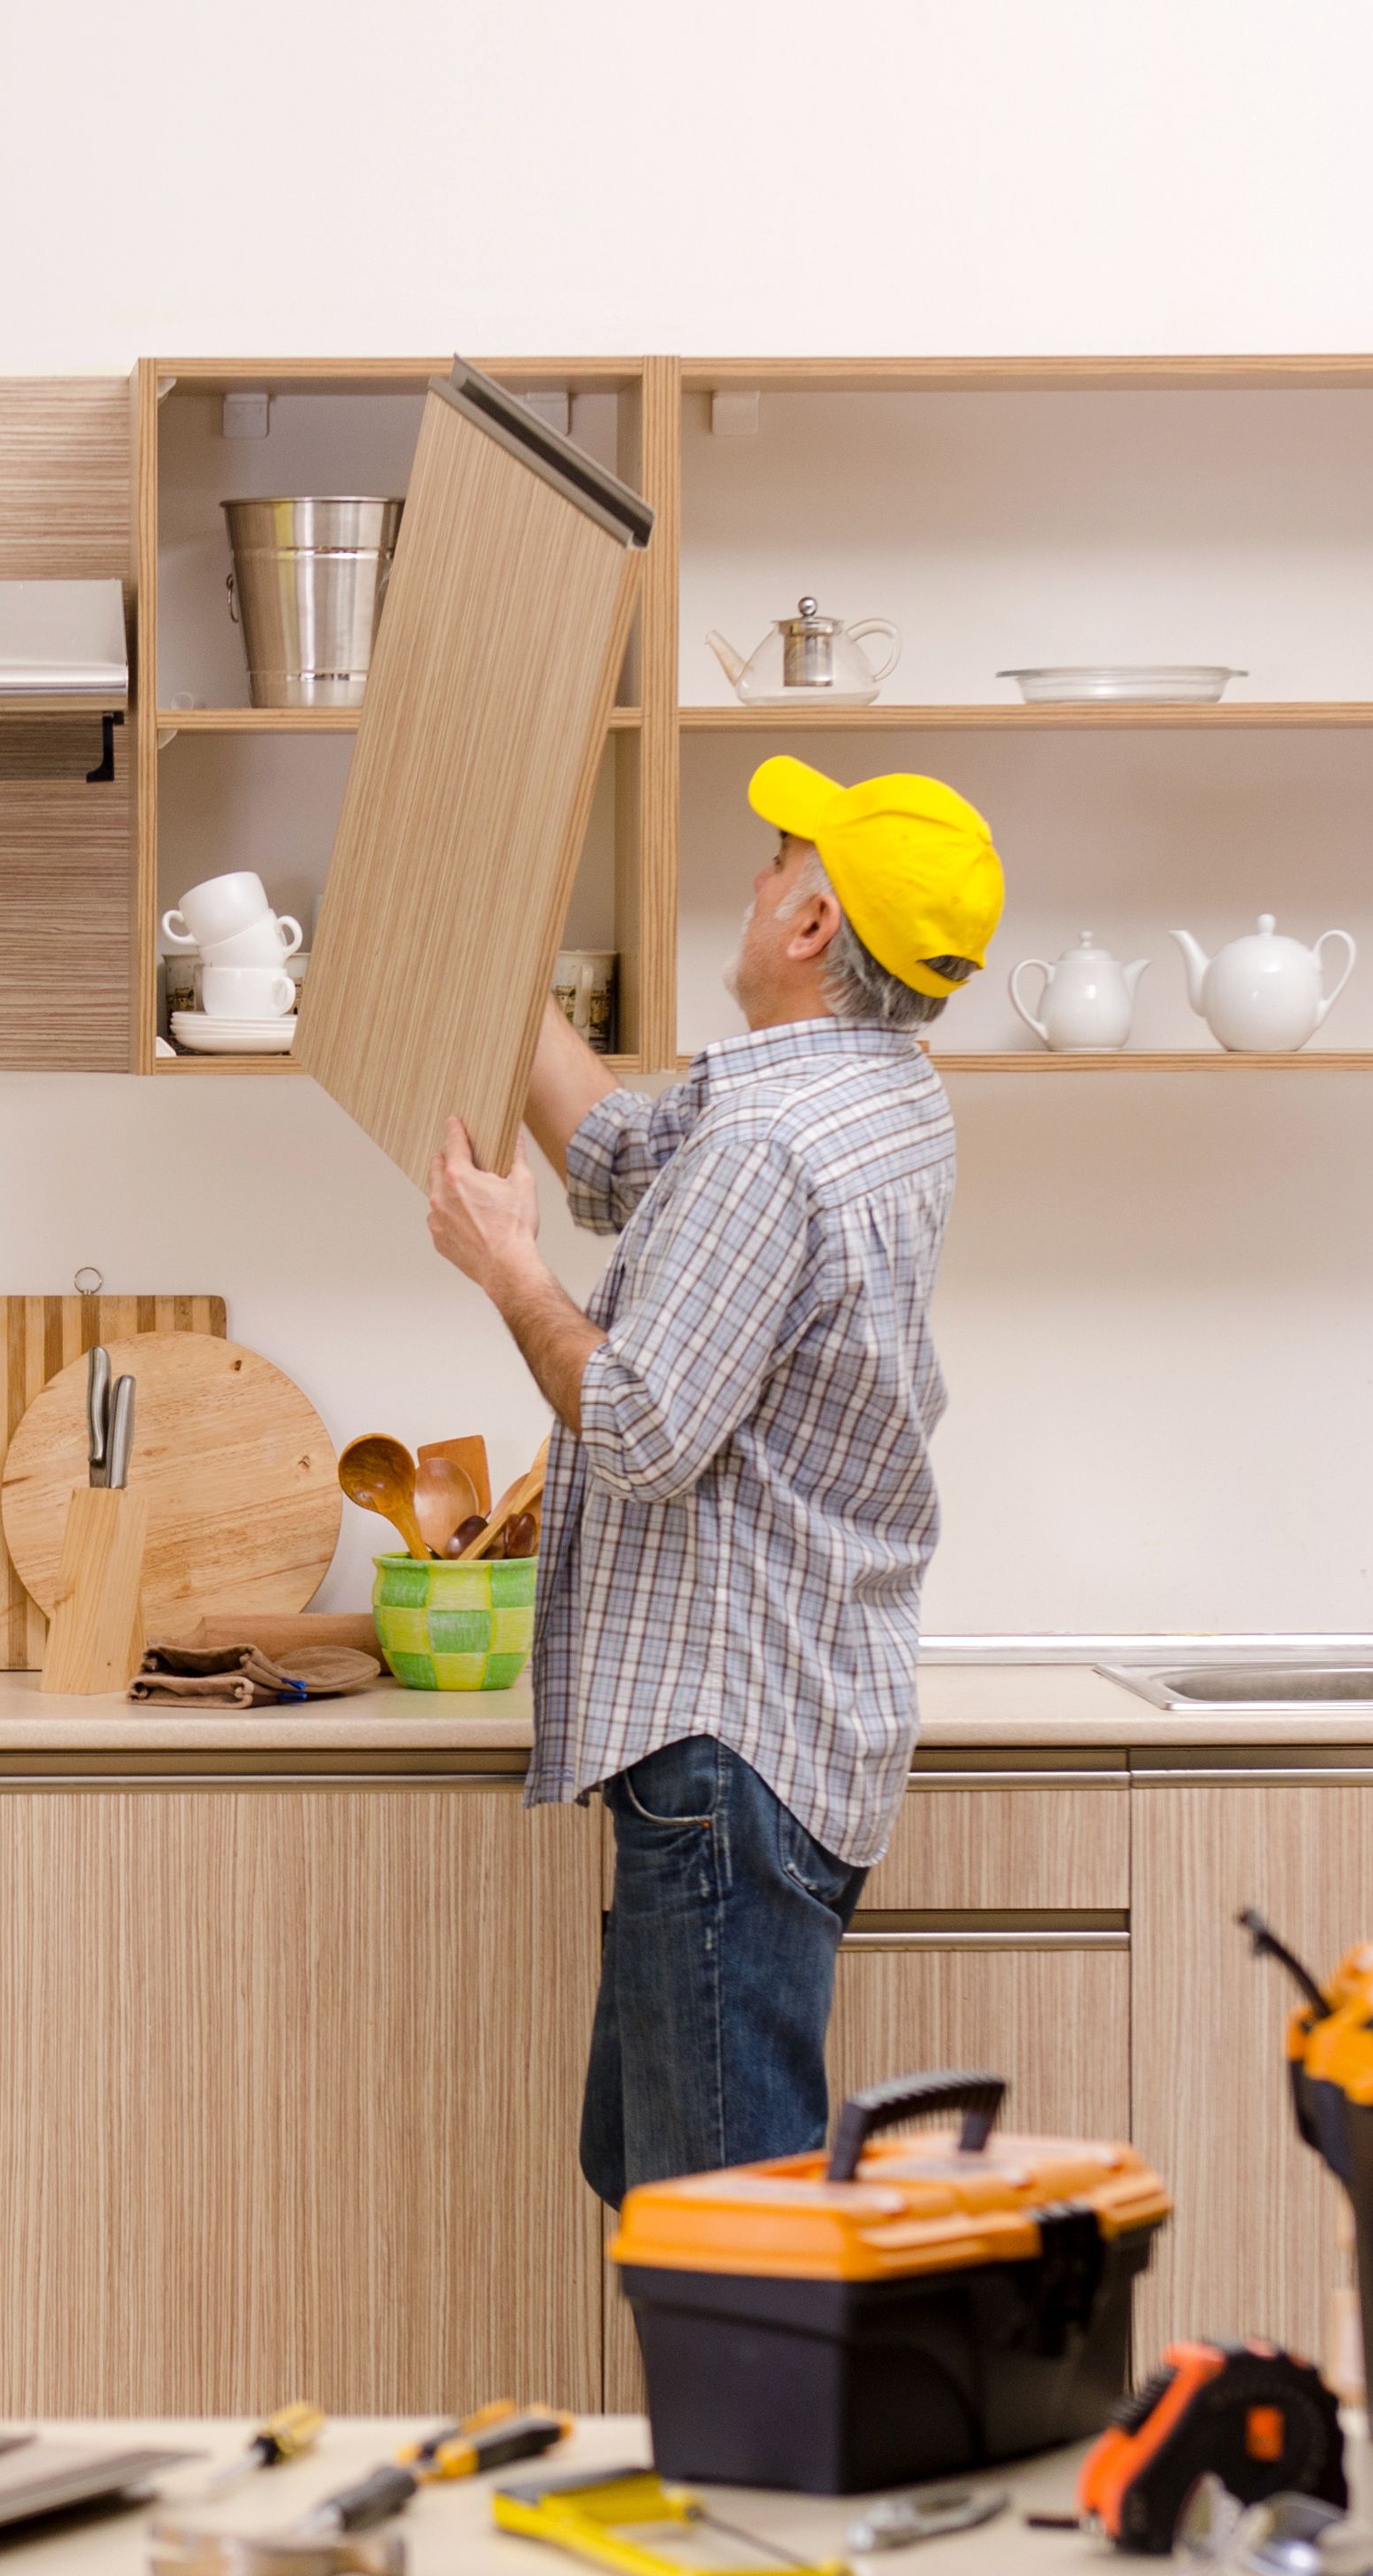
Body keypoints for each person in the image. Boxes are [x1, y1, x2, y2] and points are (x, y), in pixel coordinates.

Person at [422, 757, 1003, 2203]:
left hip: (725, 1758)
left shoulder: (771, 1147)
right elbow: (618, 1158)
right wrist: (493, 944)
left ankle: (749, 2444)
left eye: (775, 859)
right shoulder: (878, 1097)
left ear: (811, 924)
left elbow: (631, 1426)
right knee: (656, 2177)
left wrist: (506, 1267)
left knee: (724, 2232)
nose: (752, 883)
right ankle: (731, 2432)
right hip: (791, 1727)